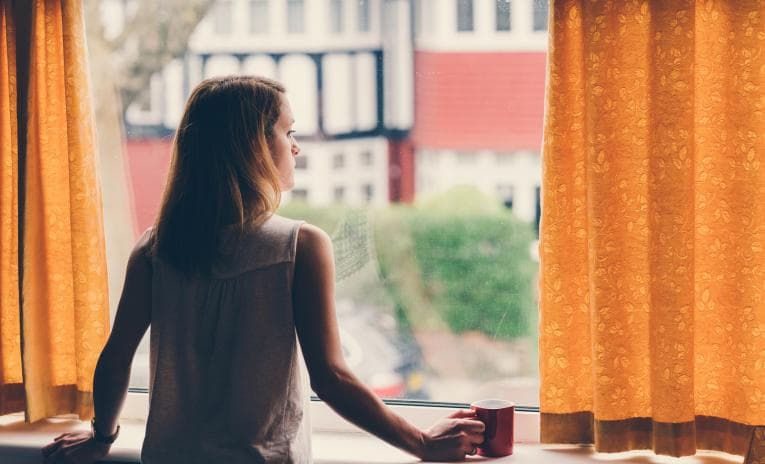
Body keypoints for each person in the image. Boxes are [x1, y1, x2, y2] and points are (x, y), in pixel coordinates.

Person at [40, 76, 484, 463]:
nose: (296, 146)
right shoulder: (300, 246)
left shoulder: (156, 247)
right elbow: (331, 379)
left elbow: (117, 356)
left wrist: (101, 437)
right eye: (287, 131)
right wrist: (422, 442)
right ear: (250, 145)